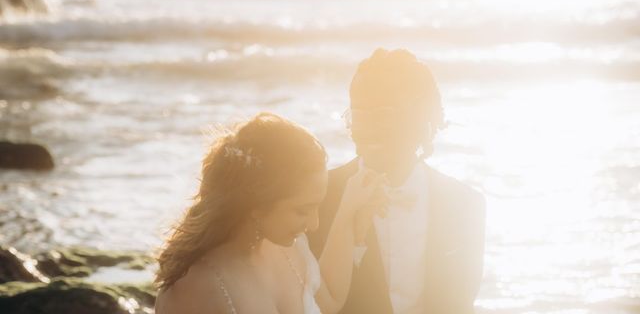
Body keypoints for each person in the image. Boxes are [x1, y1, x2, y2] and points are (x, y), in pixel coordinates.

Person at [308, 48, 486, 314]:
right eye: (359, 115)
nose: (366, 129)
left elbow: (460, 304)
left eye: (382, 114)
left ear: (421, 117)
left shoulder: (464, 204)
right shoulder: (317, 197)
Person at [154, 112, 386, 314]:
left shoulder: (289, 248)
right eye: (301, 210)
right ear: (257, 205)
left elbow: (329, 301)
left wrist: (349, 213)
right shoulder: (195, 288)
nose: (314, 224)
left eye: (317, 206)